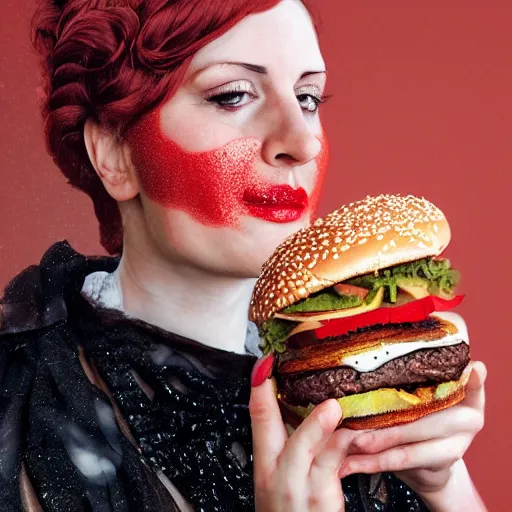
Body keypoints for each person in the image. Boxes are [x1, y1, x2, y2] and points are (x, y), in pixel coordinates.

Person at [0, 0, 487, 510]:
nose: (301, 142)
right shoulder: (26, 407)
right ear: (114, 153)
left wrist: (443, 486)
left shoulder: (359, 377)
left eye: (307, 98)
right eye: (232, 95)